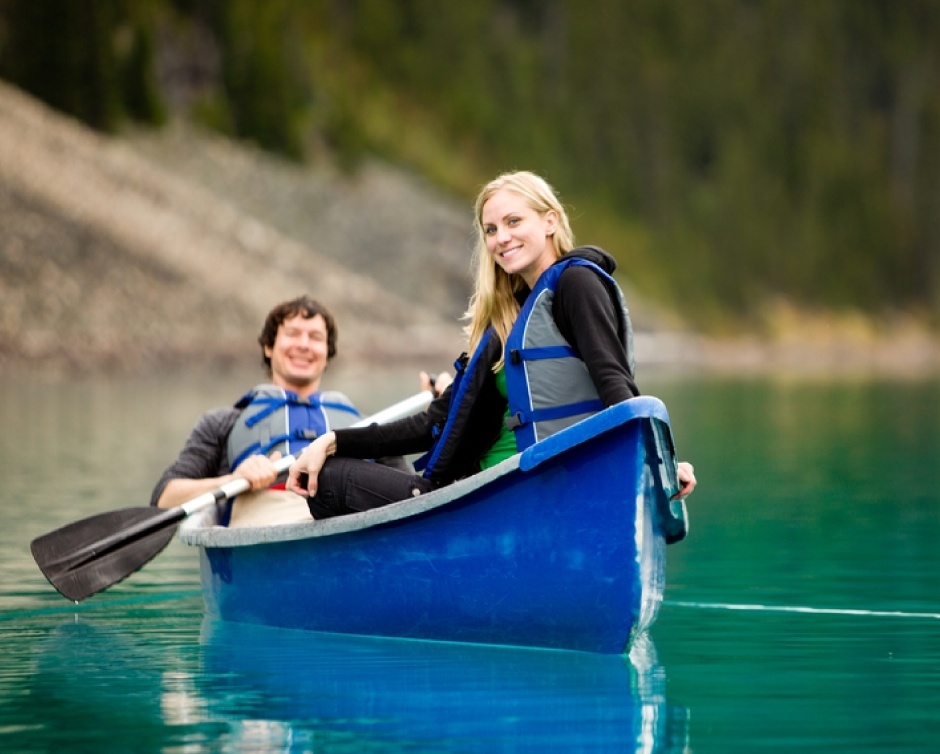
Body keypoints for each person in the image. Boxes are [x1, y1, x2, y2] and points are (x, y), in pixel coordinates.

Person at [286, 171, 696, 518]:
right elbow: (430, 425)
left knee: (330, 480)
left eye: (514, 221)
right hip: (481, 489)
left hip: (527, 490)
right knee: (337, 460)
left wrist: (659, 460)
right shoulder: (507, 320)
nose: (502, 238)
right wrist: (332, 440)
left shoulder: (575, 284)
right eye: (491, 230)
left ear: (550, 221)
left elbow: (614, 383)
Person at [150, 295, 447, 526]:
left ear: (327, 354)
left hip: (353, 520)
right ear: (269, 347)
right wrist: (233, 480)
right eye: (293, 334)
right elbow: (165, 499)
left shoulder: (365, 427)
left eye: (315, 337)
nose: (304, 345)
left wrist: (445, 410)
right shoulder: (224, 422)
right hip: (269, 521)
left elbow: (413, 498)